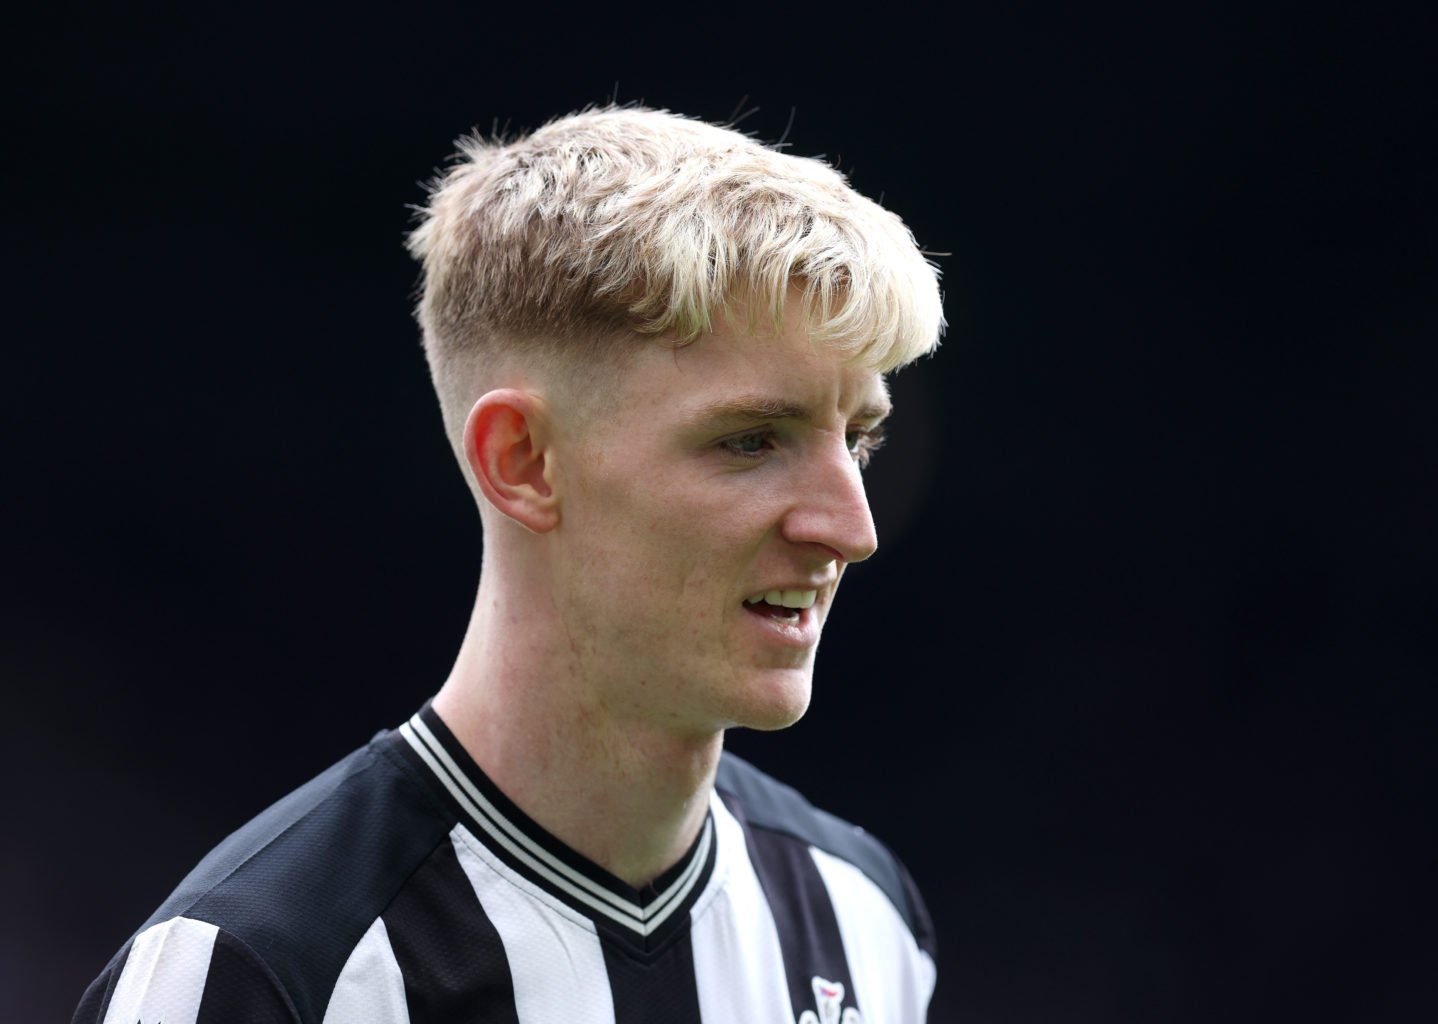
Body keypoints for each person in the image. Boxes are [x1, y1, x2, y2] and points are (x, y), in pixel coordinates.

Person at [74, 104, 944, 1024]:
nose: (853, 527)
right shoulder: (256, 975)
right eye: (751, 440)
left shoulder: (864, 923)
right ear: (523, 462)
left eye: (859, 440)